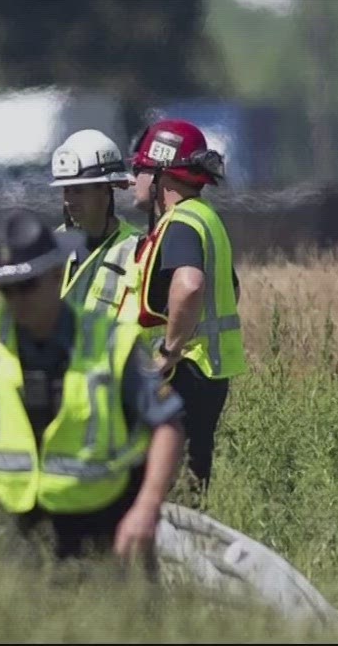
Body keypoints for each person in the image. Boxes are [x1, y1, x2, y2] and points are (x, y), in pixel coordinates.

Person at [0, 208, 185, 572]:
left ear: (56, 274)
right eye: (7, 289)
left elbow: (167, 425)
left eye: (27, 285)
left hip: (104, 526)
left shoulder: (110, 341)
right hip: (17, 528)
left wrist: (147, 507)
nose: (16, 300)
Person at [127, 119, 245, 493]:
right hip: (208, 373)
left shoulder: (179, 223)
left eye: (140, 169)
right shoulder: (206, 219)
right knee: (192, 479)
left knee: (166, 484)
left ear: (162, 174)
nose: (134, 180)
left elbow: (190, 285)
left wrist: (169, 350)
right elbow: (233, 289)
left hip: (185, 372)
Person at [48, 129, 144, 322]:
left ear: (106, 190)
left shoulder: (137, 250)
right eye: (66, 190)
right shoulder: (51, 245)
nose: (70, 200)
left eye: (79, 190)